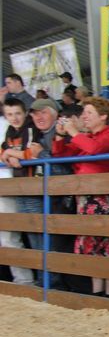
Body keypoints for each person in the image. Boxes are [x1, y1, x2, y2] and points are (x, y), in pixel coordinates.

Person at [1, 98, 76, 290]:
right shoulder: (29, 134)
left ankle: (51, 286)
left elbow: (63, 167)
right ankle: (45, 284)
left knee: (45, 241)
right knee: (36, 240)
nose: (38, 117)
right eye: (36, 113)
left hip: (54, 195)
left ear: (55, 114)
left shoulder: (48, 134)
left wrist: (23, 155)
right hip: (30, 190)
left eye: (44, 112)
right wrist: (10, 154)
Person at [51, 97, 109, 299]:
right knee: (92, 246)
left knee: (105, 245)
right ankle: (98, 291)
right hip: (84, 197)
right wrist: (59, 134)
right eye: (84, 113)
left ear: (103, 116)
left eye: (89, 113)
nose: (84, 117)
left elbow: (94, 150)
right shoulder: (87, 137)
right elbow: (60, 153)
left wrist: (74, 132)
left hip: (102, 197)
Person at [0, 99, 35, 286]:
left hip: (13, 186)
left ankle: (25, 281)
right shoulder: (8, 127)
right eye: (10, 114)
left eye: (17, 113)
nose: (14, 117)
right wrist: (8, 154)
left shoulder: (20, 127)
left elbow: (28, 152)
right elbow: (5, 150)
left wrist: (9, 154)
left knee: (11, 237)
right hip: (11, 184)